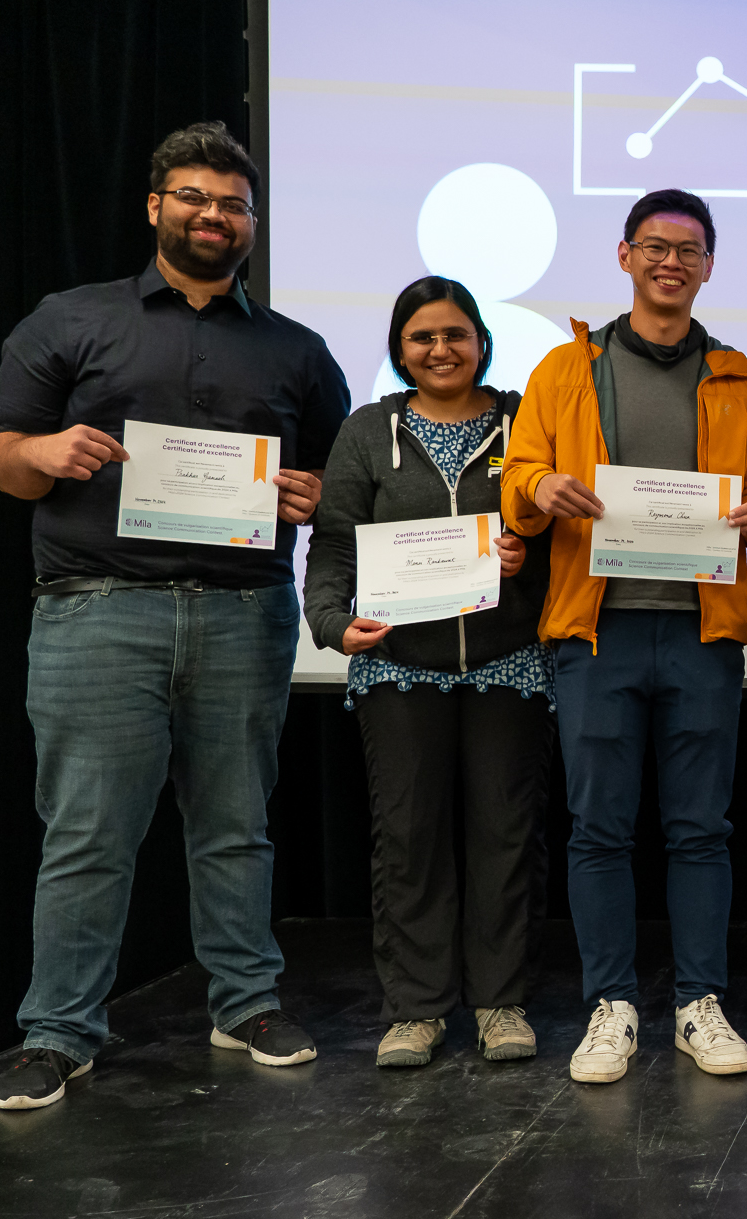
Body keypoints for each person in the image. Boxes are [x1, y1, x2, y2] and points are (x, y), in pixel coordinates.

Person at [0, 123, 349, 1111]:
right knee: (88, 835)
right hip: (98, 610)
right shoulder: (72, 319)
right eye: (193, 198)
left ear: (253, 224)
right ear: (155, 207)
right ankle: (59, 1031)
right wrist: (44, 457)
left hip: (245, 613)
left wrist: (310, 493)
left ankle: (246, 1002)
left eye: (232, 205)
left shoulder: (298, 351)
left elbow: (331, 478)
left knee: (236, 829)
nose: (212, 217)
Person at [500, 188, 747, 1086]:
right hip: (595, 630)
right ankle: (611, 1004)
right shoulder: (563, 368)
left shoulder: (740, 376)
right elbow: (520, 470)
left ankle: (700, 1002)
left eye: (689, 249)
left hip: (704, 633)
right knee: (599, 829)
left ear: (709, 265)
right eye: (655, 246)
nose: (672, 261)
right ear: (624, 256)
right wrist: (538, 489)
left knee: (700, 828)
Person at [304, 277, 553, 1069]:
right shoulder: (368, 429)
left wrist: (528, 553)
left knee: (506, 836)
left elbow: (570, 535)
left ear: (481, 339)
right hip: (398, 667)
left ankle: (500, 1002)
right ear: (398, 348)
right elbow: (335, 544)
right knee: (408, 838)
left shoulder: (526, 421)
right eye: (422, 337)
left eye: (455, 333)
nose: (440, 349)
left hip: (507, 661)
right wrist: (333, 623)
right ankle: (415, 1008)